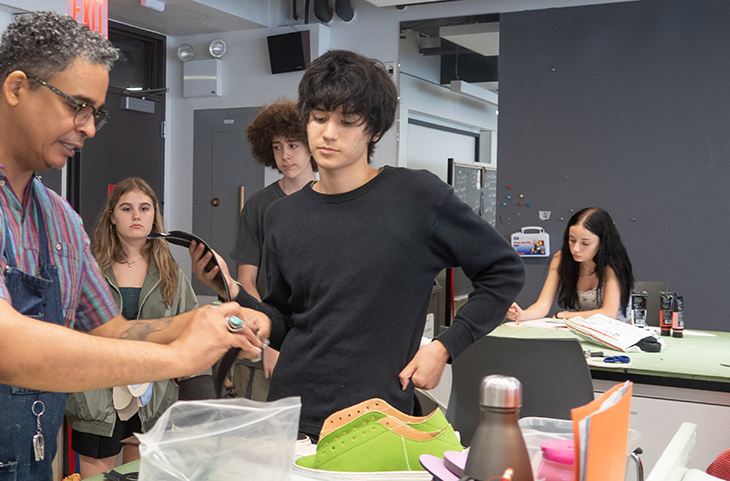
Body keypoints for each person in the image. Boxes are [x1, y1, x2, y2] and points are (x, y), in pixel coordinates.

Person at [0, 12, 266, 481]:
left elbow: (109, 331)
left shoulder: (58, 218)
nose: (87, 127)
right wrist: (178, 358)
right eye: (77, 106)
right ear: (17, 87)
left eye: (96, 114)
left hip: (22, 464)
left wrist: (199, 321)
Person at [191, 49, 525, 440]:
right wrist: (231, 291)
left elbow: (503, 271)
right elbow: (287, 321)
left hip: (379, 417)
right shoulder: (281, 216)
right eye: (318, 118)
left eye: (347, 121)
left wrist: (444, 347)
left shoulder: (417, 197)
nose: (328, 133)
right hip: (294, 414)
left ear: (375, 132)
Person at [65, 177, 209, 478]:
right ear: (112, 218)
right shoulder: (88, 270)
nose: (136, 216)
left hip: (152, 399)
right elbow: (69, 332)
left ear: (154, 216)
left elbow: (191, 330)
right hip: (96, 398)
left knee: (142, 476)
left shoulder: (171, 273)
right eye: (127, 208)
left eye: (144, 208)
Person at [229, 100, 317, 397]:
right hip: (266, 336)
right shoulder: (258, 205)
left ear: (311, 145)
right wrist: (271, 339)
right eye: (277, 147)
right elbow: (247, 280)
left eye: (293, 145)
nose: (285, 155)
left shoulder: (331, 202)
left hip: (315, 342)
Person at [507, 207, 634, 322]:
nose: (575, 249)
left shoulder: (613, 265)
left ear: (602, 243)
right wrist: (523, 315)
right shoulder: (560, 260)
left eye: (585, 243)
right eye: (572, 240)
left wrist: (564, 315)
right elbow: (543, 305)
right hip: (585, 330)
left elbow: (608, 314)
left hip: (617, 335)